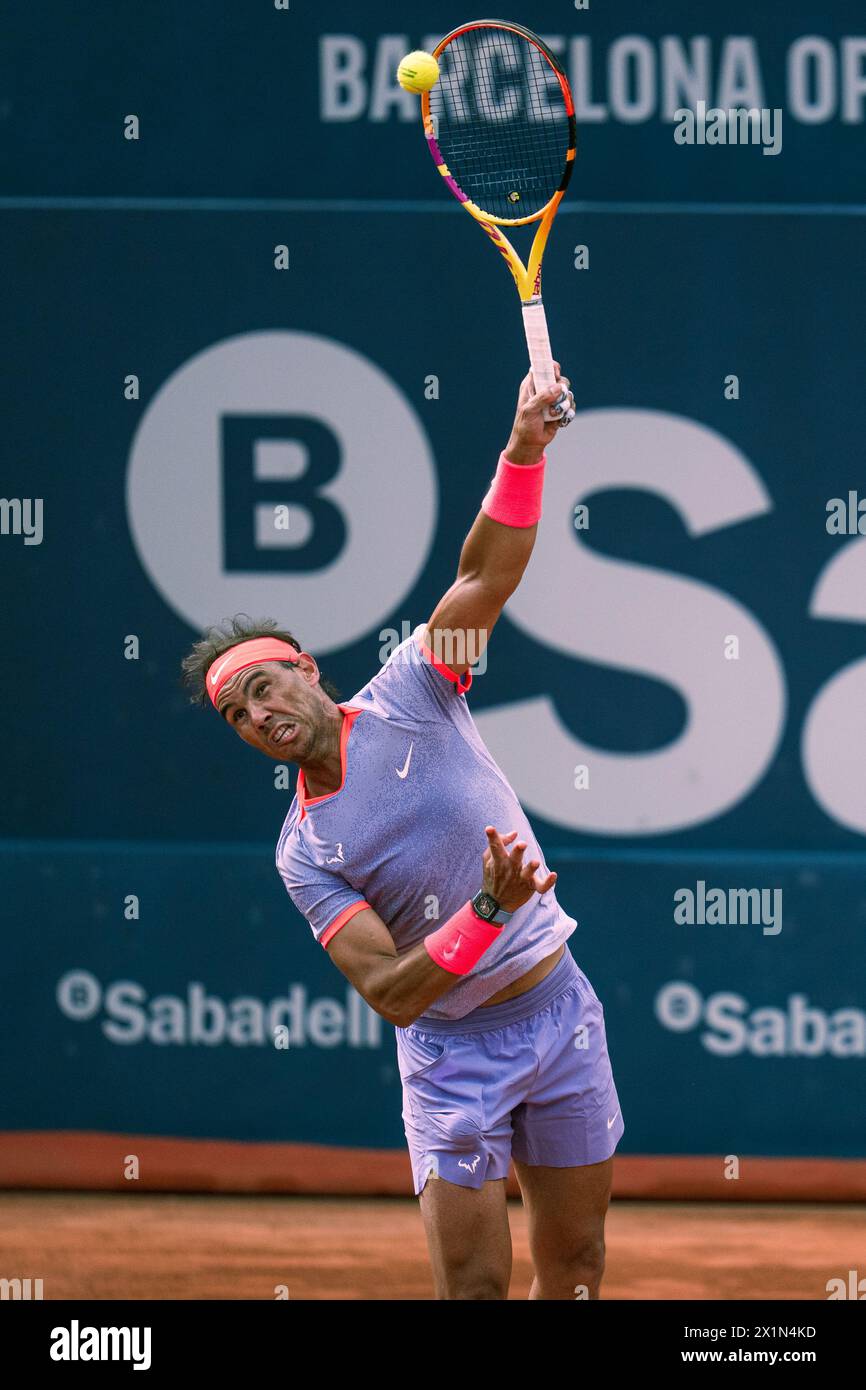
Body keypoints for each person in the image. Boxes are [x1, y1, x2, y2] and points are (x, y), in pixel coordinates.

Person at [181, 366, 624, 1299]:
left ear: (306, 669)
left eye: (262, 686)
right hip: (452, 1057)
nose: (257, 714)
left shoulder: (416, 691)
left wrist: (524, 450)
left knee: (578, 1272)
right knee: (472, 1291)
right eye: (235, 715)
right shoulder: (305, 853)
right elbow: (391, 992)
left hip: (559, 1011)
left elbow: (483, 573)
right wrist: (487, 911)